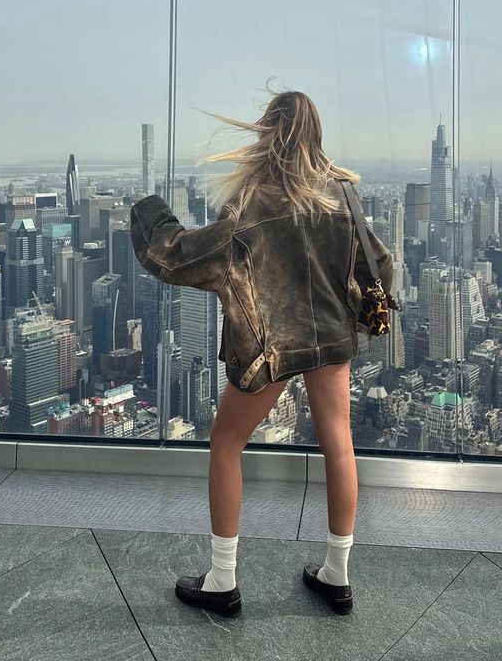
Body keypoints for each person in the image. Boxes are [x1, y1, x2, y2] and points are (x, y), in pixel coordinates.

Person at [130, 85, 394, 618]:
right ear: (316, 135)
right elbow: (380, 265)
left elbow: (179, 258)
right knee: (338, 447)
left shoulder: (250, 205)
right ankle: (336, 574)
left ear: (267, 134)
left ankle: (223, 580)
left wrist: (150, 212)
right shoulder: (343, 193)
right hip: (332, 339)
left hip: (271, 345)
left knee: (226, 442)